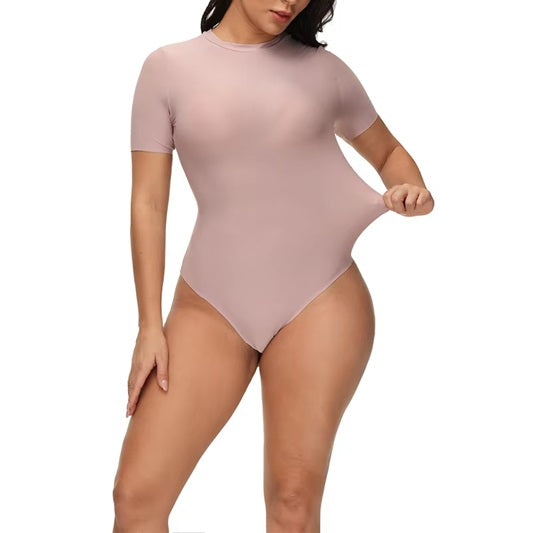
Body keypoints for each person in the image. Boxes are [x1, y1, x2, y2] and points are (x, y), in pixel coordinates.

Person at [112, 0, 434, 531]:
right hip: (209, 306)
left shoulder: (325, 73)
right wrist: (149, 325)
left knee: (292, 502)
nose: (289, 2)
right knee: (136, 497)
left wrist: (410, 188)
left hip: (321, 300)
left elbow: (388, 153)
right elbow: (147, 204)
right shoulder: (167, 69)